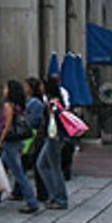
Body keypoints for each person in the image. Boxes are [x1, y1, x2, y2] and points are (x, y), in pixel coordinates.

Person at [0, 80, 40, 214]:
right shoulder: (18, 105)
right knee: (2, 169)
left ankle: (32, 202)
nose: (4, 90)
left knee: (19, 174)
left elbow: (6, 126)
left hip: (10, 142)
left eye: (6, 88)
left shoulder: (8, 105)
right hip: (16, 141)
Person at [12, 77, 48, 203]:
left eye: (26, 86)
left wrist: (24, 124)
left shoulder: (34, 103)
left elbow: (33, 121)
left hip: (31, 137)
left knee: (25, 165)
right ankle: (21, 192)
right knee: (26, 165)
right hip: (30, 136)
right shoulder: (32, 101)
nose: (25, 89)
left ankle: (23, 193)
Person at [37, 77, 69, 210]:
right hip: (53, 137)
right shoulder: (53, 100)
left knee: (54, 167)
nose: (40, 88)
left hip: (54, 137)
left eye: (42, 85)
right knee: (42, 164)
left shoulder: (53, 102)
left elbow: (54, 120)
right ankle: (54, 195)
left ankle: (60, 199)